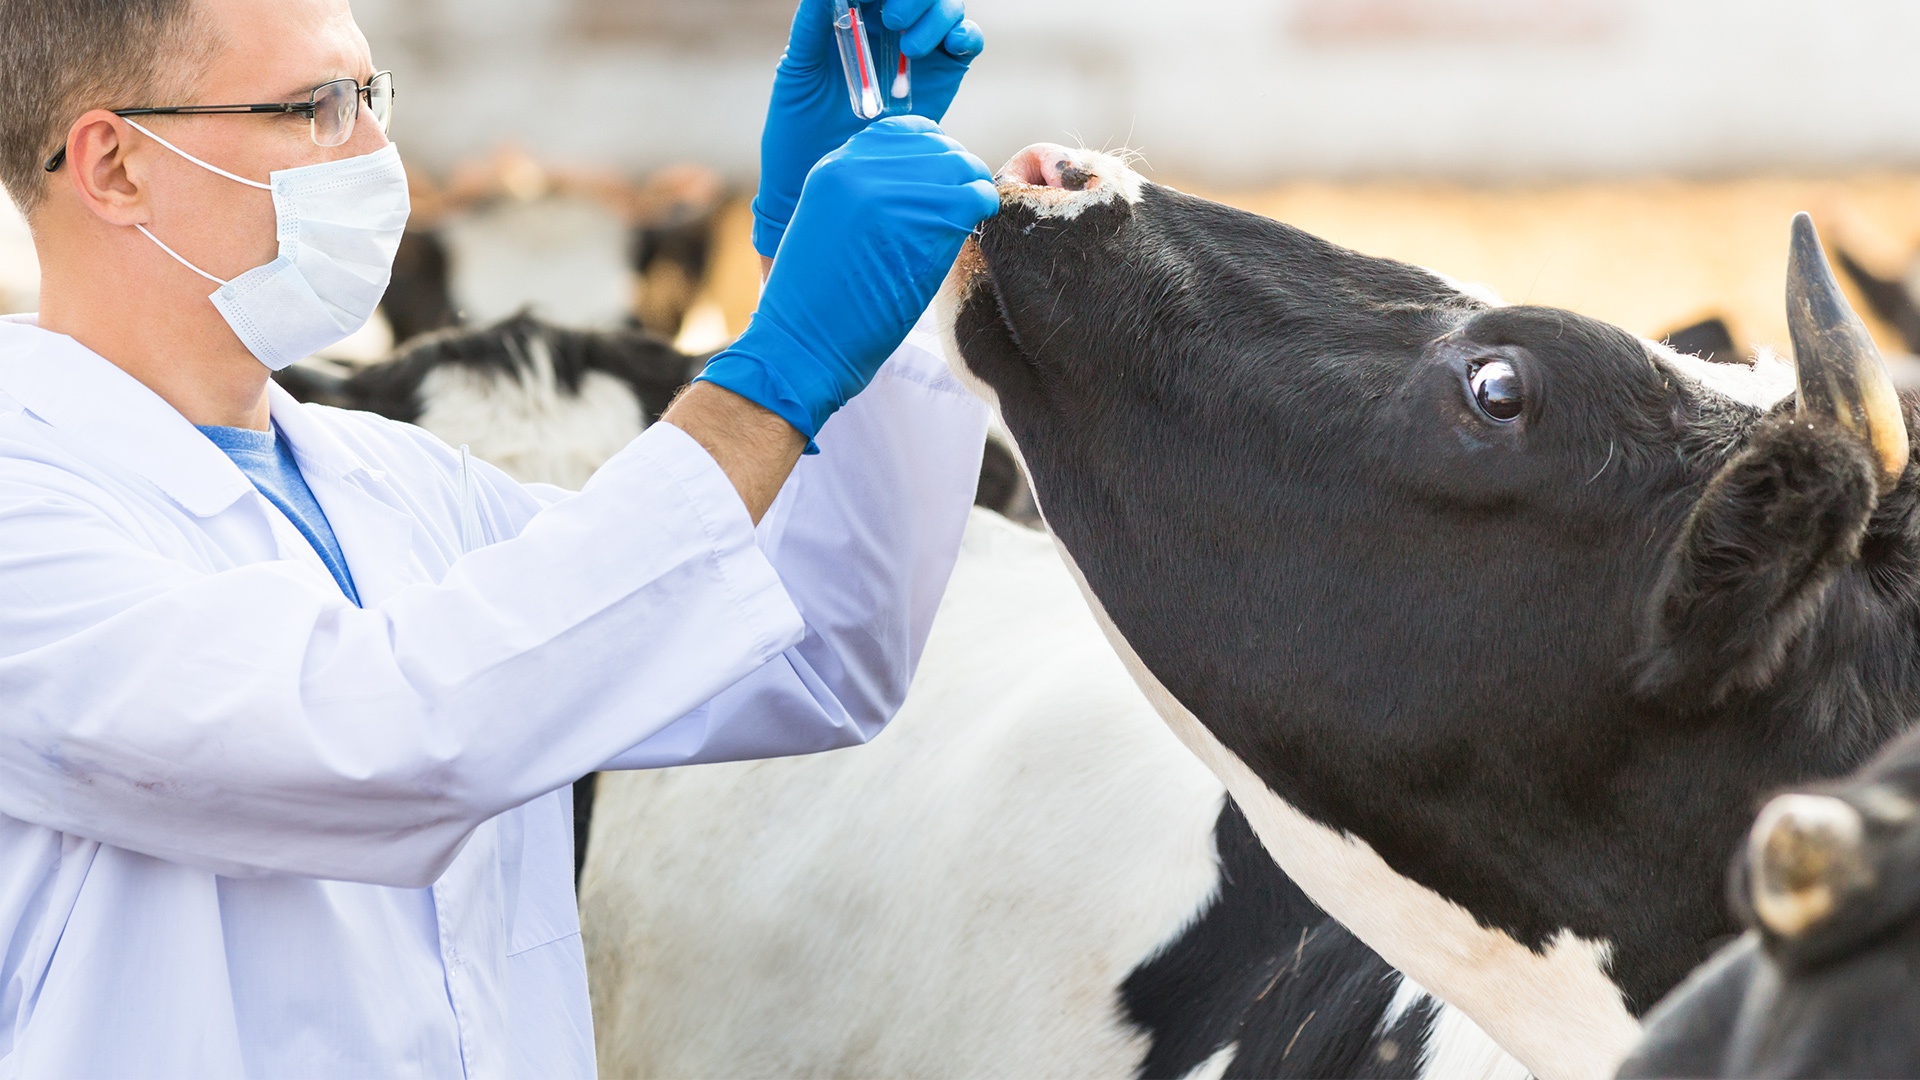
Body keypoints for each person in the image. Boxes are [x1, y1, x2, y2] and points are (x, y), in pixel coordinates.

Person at [0, 0, 999, 1074]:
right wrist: (773, 372)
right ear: (113, 166)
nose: (380, 155)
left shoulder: (398, 484)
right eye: (317, 109)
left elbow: (805, 646)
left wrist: (856, 317)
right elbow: (390, 739)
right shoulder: (30, 508)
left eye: (371, 97)